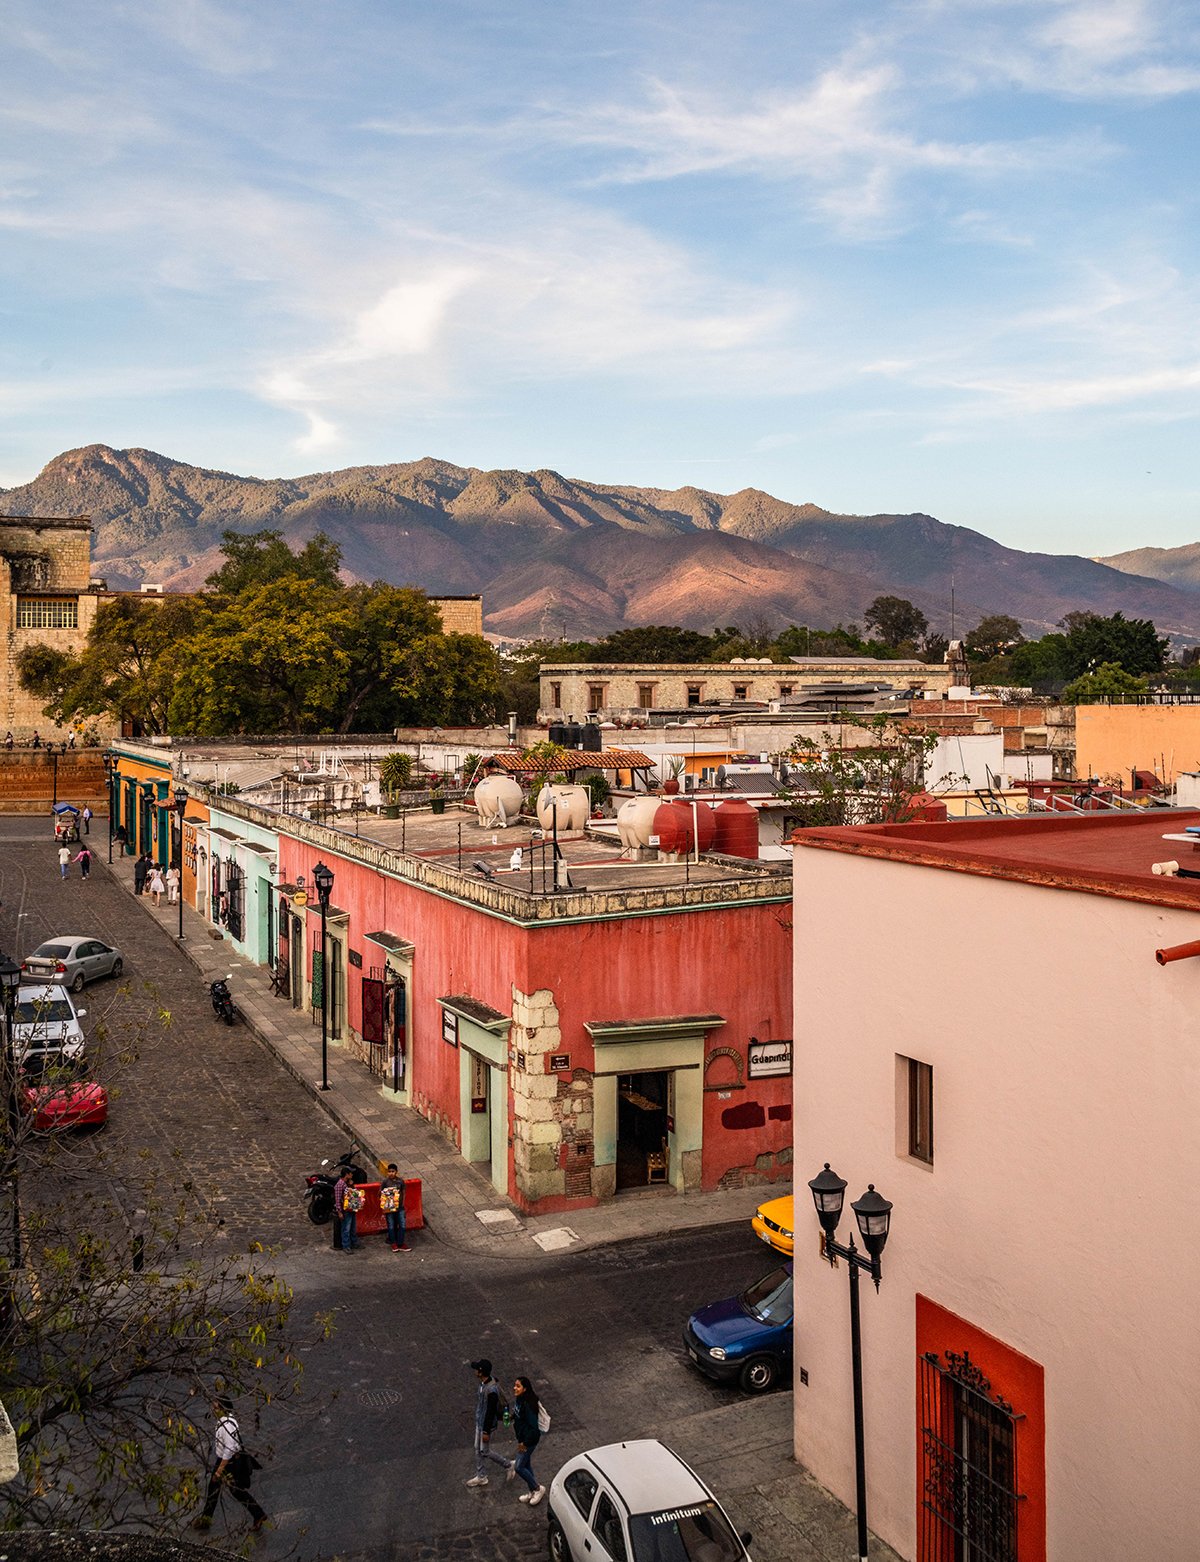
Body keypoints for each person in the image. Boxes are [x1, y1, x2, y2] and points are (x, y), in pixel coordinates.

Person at [192, 1396, 267, 1534]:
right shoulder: (228, 1420)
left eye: (215, 1408)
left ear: (222, 1409)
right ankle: (206, 1519)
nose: (213, 1410)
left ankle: (258, 1514)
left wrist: (219, 1471)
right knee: (215, 1490)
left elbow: (229, 1449)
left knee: (235, 1491)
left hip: (228, 1462)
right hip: (227, 1460)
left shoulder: (226, 1425)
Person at [466, 1359, 515, 1488]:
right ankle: (481, 1475)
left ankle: (508, 1465)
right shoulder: (484, 1383)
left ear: (481, 1372)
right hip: (480, 1421)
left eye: (477, 1369)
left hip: (485, 1425)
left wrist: (486, 1431)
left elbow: (490, 1412)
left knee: (485, 1451)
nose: (475, 1371)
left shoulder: (491, 1390)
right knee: (478, 1448)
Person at [510, 1377, 546, 1506]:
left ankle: (537, 1488)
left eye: (518, 1386)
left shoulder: (528, 1404)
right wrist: (512, 1416)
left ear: (525, 1389)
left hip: (528, 1440)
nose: (515, 1388)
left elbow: (534, 1429)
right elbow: (518, 1413)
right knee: (526, 1464)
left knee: (519, 1467)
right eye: (515, 1385)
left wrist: (524, 1443)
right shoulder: (520, 1399)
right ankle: (532, 1490)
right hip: (522, 1438)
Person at [380, 1163, 409, 1252]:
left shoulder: (400, 1181)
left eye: (393, 1171)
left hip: (400, 1207)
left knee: (403, 1226)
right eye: (389, 1171)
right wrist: (384, 1205)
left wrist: (403, 1204)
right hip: (389, 1208)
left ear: (396, 1172)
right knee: (391, 1226)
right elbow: (380, 1193)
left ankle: (400, 1243)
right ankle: (394, 1244)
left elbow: (403, 1193)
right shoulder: (385, 1182)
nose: (391, 1173)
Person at [334, 1168, 361, 1252]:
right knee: (346, 1228)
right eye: (350, 1173)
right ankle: (346, 1245)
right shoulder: (340, 1185)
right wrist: (339, 1212)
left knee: (352, 1228)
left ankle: (354, 1243)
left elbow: (352, 1193)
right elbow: (338, 1199)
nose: (352, 1175)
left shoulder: (348, 1183)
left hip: (351, 1207)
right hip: (345, 1210)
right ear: (346, 1174)